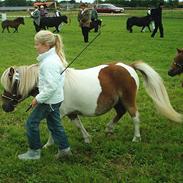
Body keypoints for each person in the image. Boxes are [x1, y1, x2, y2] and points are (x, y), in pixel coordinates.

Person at [18, 30, 71, 160]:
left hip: (49, 101)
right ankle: (65, 150)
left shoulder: (49, 63)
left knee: (31, 123)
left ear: (46, 45)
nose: (35, 47)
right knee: (54, 124)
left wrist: (37, 99)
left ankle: (34, 152)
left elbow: (51, 86)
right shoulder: (52, 58)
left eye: (37, 44)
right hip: (55, 99)